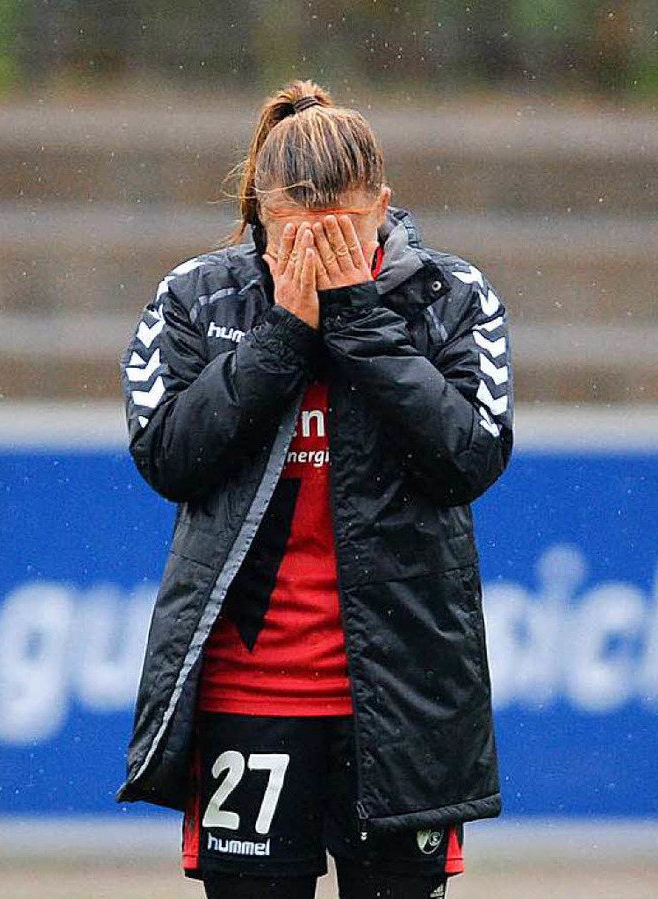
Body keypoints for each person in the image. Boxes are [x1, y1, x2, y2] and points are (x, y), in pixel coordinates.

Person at [118, 79, 513, 899]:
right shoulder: (197, 298)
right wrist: (284, 337)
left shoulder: (450, 297)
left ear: (384, 207)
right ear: (260, 214)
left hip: (403, 701)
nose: (321, 256)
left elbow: (467, 457)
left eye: (342, 234)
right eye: (297, 236)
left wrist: (361, 323)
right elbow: (168, 457)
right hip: (249, 695)